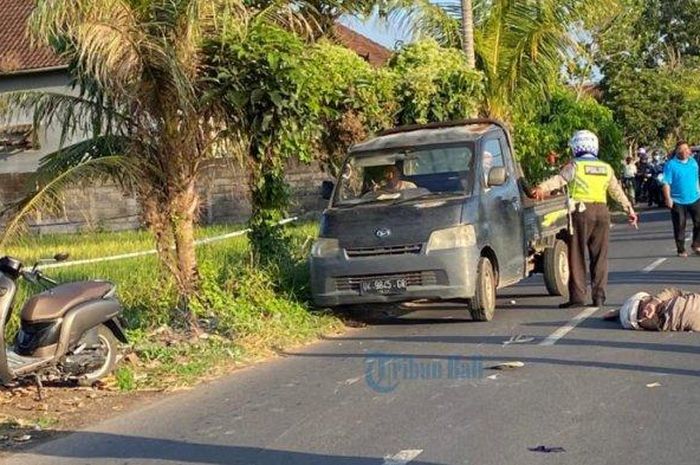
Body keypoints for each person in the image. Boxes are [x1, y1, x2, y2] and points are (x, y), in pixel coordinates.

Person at [531, 130, 638, 308]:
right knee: (600, 256)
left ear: (575, 147)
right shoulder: (606, 168)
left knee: (577, 254)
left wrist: (540, 188)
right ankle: (599, 297)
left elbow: (559, 180)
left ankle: (578, 298)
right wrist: (630, 210)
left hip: (582, 212)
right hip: (602, 213)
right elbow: (616, 191)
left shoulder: (575, 165)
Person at [661, 141, 700, 257]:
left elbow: (696, 178)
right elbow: (666, 183)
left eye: (686, 149)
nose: (684, 151)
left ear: (689, 151)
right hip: (677, 200)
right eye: (681, 149)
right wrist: (668, 198)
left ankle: (696, 244)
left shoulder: (693, 162)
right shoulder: (671, 165)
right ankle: (681, 249)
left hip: (695, 197)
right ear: (676, 151)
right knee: (679, 225)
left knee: (699, 222)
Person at [605, 288, 700, 332]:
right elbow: (673, 291)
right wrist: (654, 302)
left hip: (661, 319)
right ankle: (620, 312)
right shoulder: (695, 297)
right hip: (656, 309)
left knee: (646, 316)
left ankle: (621, 312)